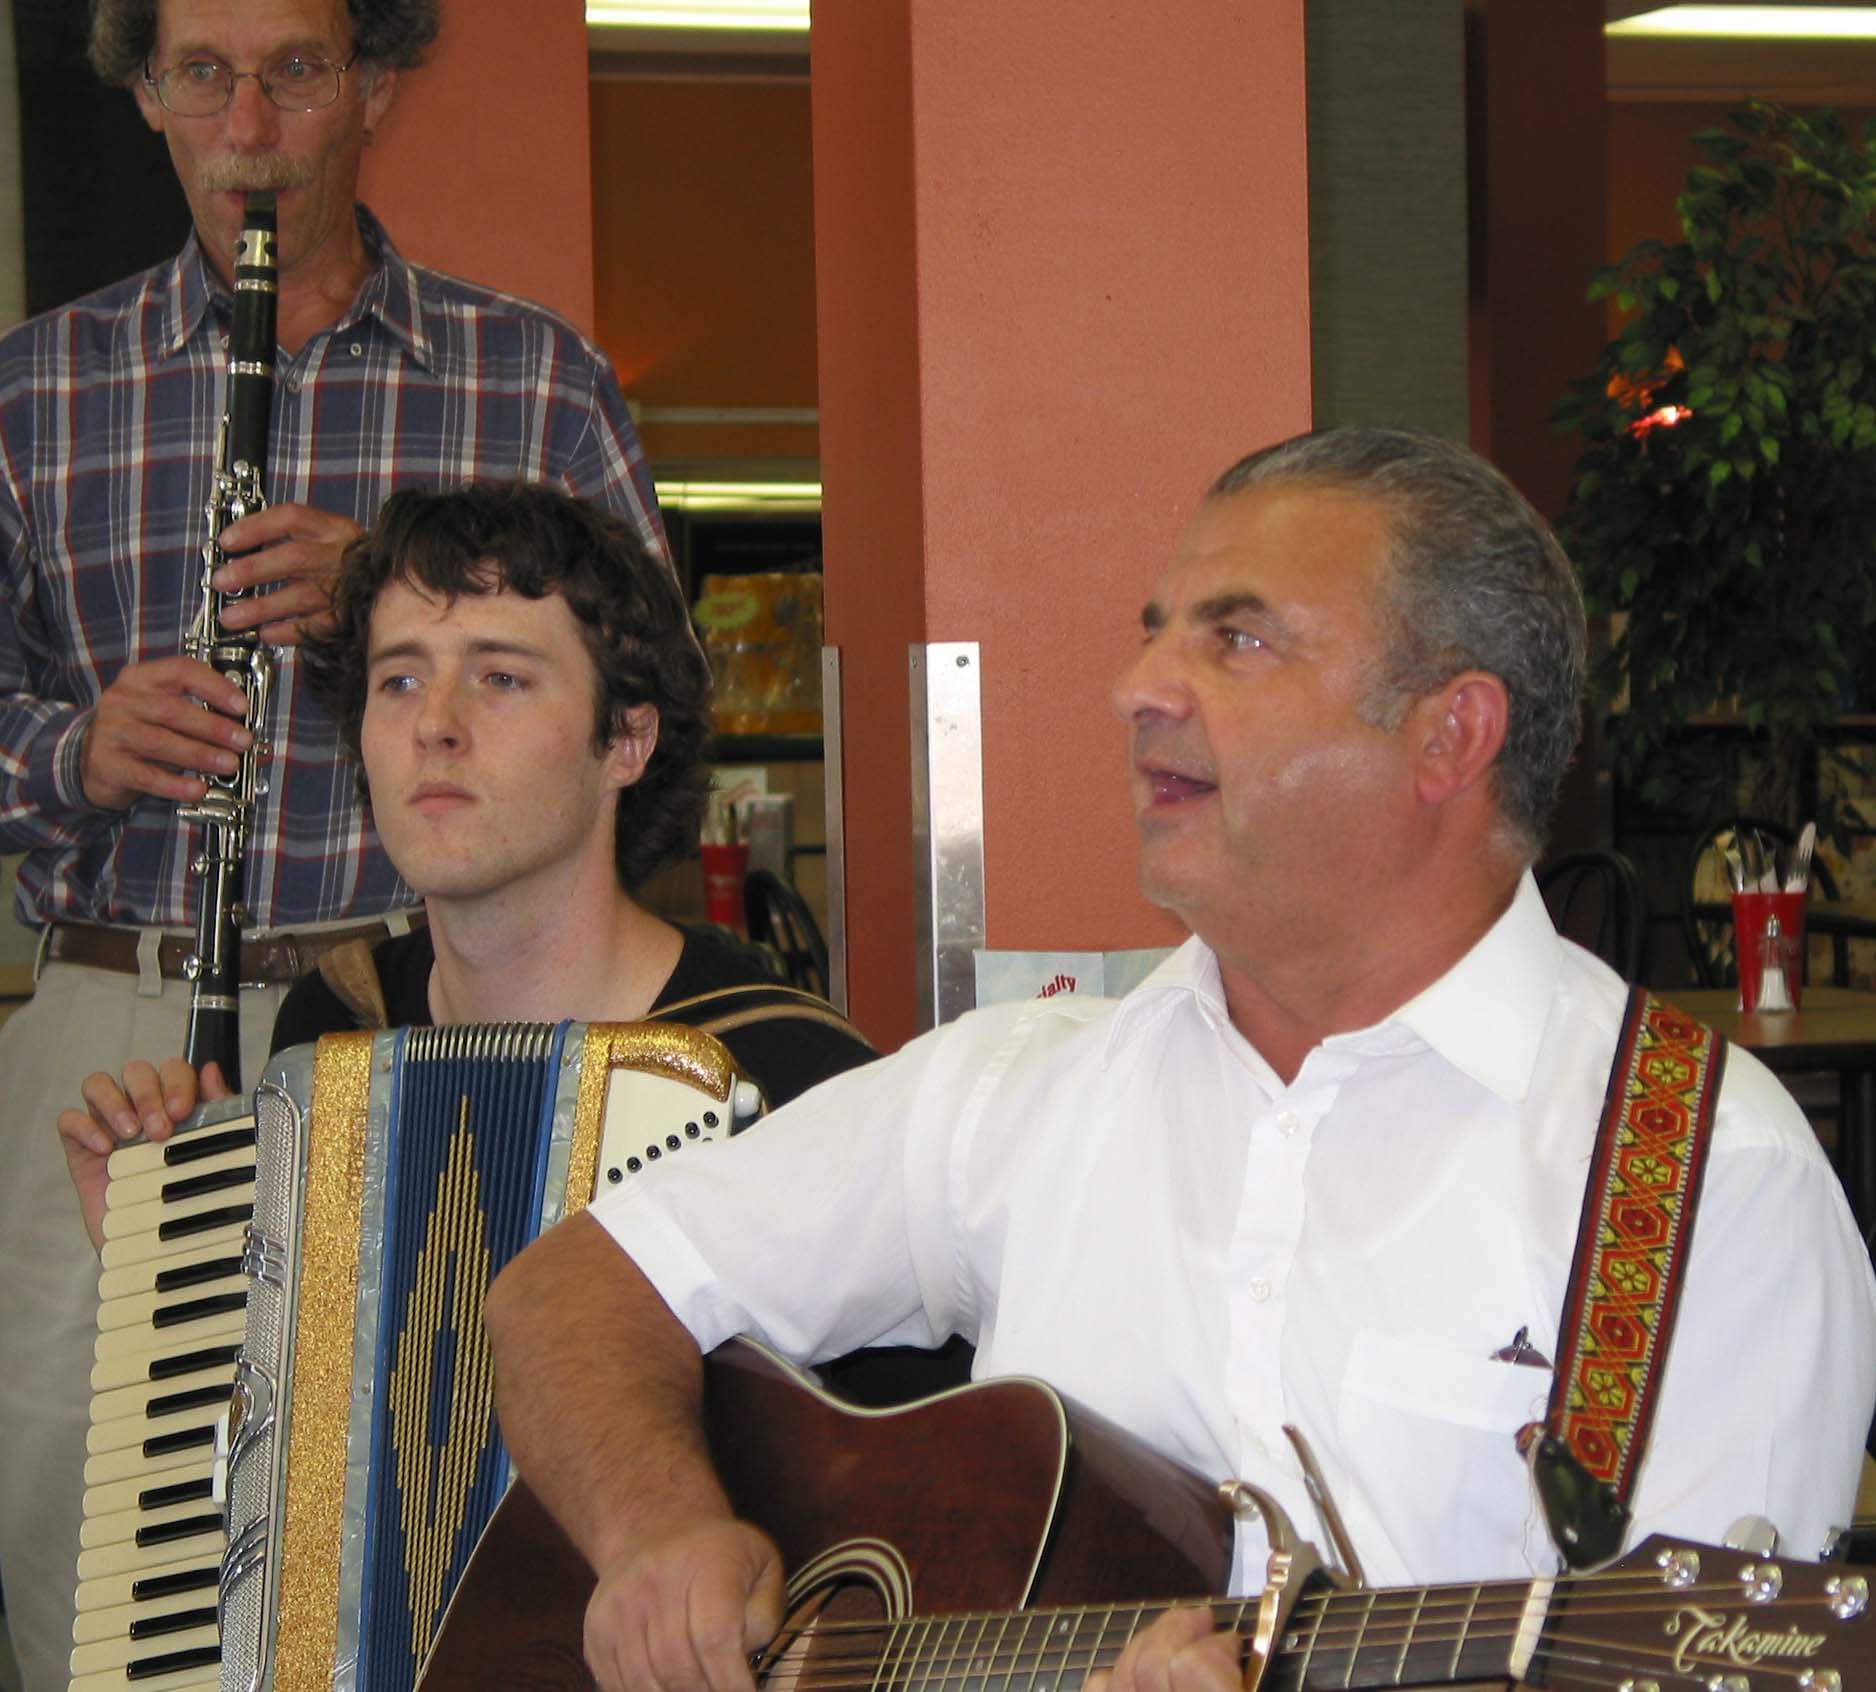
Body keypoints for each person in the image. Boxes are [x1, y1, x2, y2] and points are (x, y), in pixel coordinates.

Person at [483, 425, 1876, 1692]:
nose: (1137, 689)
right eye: (1157, 635)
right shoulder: (1020, 1089)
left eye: (1239, 641)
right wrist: (658, 1532)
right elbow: (575, 1294)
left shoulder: (1701, 1182)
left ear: (1450, 734)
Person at [0, 3, 665, 1681]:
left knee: (432, 1481)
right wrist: (74, 747)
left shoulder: (531, 378)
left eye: (297, 70)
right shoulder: (36, 387)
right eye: (204, 74)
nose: (251, 120)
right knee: (88, 1513)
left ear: (374, 85)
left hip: (437, 1006)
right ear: (147, 96)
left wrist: (413, 591)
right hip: (115, 1008)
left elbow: (655, 685)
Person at [59, 481, 874, 1254]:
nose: (435, 725)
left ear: (626, 740)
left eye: (502, 678)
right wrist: (169, 1269)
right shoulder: (334, 1029)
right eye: (401, 679)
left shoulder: (791, 1073)